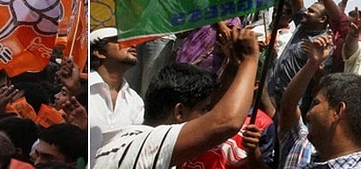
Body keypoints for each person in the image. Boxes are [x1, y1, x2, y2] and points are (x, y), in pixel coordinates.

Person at [94, 26, 260, 168]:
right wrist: (250, 59)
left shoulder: (138, 138)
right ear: (179, 112)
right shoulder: (150, 146)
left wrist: (233, 65)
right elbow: (226, 121)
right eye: (204, 110)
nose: (208, 116)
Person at [278, 34, 361, 168]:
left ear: (338, 111)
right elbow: (287, 108)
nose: (308, 113)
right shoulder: (311, 153)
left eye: (316, 103)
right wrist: (312, 64)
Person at [268, 0, 332, 108]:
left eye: (311, 12)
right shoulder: (302, 27)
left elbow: (323, 80)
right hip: (270, 93)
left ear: (322, 20)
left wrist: (316, 62)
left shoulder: (325, 43)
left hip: (290, 104)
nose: (305, 12)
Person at [88, 27, 144, 168]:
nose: (133, 45)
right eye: (122, 41)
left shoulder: (135, 101)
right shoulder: (83, 90)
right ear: (99, 52)